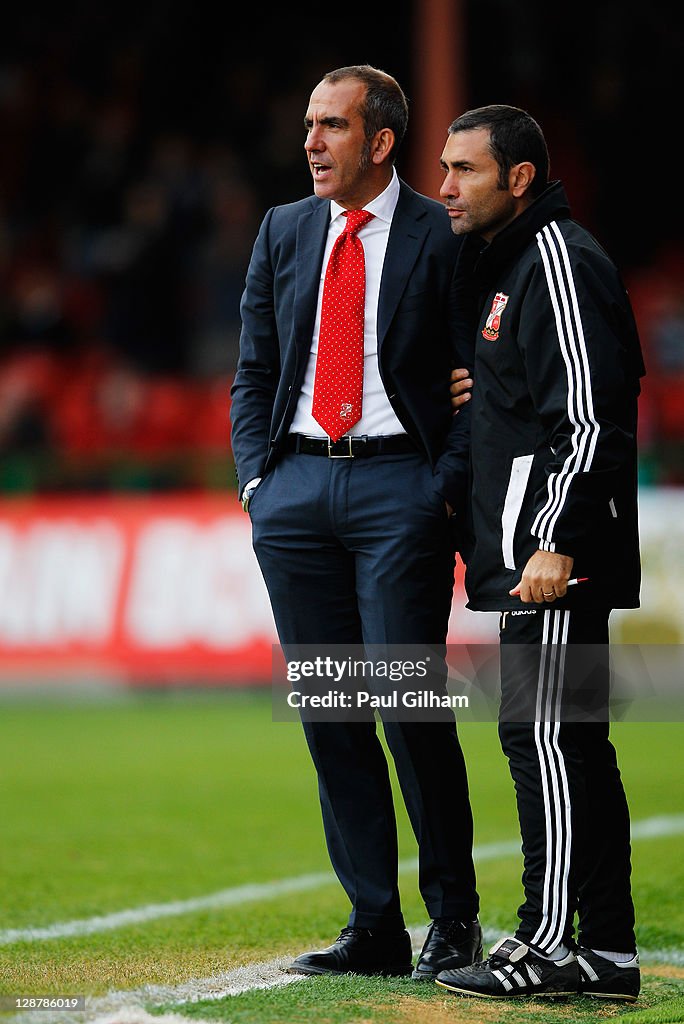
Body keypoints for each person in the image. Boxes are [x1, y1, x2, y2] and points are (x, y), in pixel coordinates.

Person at [229, 65, 481, 980]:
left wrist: (441, 487)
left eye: (331, 126)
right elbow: (254, 370)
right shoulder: (284, 229)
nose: (311, 142)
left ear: (379, 142)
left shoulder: (440, 234)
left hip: (396, 496)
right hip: (295, 492)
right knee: (334, 716)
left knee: (409, 708)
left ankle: (454, 917)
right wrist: (258, 482)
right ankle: (374, 922)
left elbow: (476, 376)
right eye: (308, 125)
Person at [432, 105, 645, 1003]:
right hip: (532, 552)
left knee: (543, 739)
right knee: (574, 745)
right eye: (444, 168)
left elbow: (590, 415)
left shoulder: (555, 259)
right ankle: (608, 952)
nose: (445, 186)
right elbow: (538, 396)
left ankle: (549, 945)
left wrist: (554, 537)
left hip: (551, 557)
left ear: (519, 178)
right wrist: (480, 397)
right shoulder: (516, 268)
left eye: (465, 171)